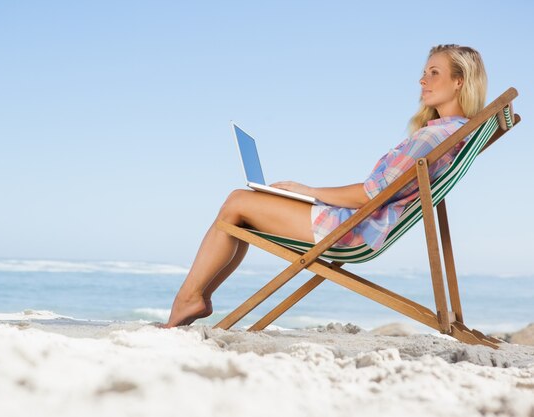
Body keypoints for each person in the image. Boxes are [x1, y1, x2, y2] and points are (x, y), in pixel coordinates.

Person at [163, 44, 488, 328]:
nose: (422, 80)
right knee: (240, 211)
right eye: (424, 72)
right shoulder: (451, 132)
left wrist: (308, 191)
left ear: (460, 81)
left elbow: (372, 194)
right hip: (364, 225)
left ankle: (190, 298)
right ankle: (195, 297)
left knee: (237, 202)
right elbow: (380, 192)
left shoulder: (434, 136)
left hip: (354, 230)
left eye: (434, 72)